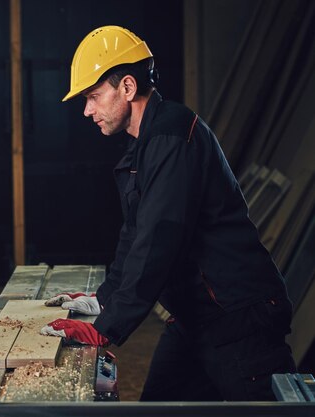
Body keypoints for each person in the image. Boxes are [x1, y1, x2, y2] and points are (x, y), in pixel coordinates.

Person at [40, 25, 297, 401]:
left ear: (127, 87)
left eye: (94, 96)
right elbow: (136, 232)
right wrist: (107, 297)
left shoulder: (172, 137)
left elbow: (159, 237)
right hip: (197, 319)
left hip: (239, 319)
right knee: (160, 406)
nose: (87, 110)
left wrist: (107, 328)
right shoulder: (145, 146)